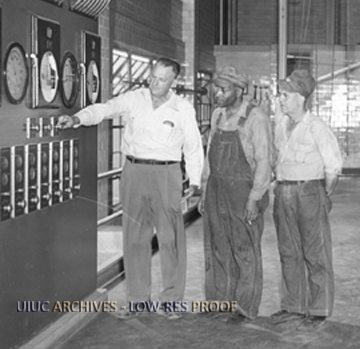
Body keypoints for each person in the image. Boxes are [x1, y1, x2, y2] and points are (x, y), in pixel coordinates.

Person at [57, 57, 204, 321]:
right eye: (152, 76)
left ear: (173, 81)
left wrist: (194, 181)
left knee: (170, 239)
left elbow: (193, 146)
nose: (154, 83)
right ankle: (138, 301)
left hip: (167, 173)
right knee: (134, 237)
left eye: (161, 79)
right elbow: (105, 109)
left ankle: (171, 301)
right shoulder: (135, 98)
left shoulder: (182, 108)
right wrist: (77, 118)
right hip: (134, 171)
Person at [270, 69, 343, 332]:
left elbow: (333, 168)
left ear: (301, 97)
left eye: (285, 95)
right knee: (288, 252)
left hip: (309, 192)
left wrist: (321, 194)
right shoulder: (281, 125)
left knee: (315, 253)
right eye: (280, 94)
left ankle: (318, 309)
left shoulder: (317, 128)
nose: (280, 99)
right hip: (283, 192)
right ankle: (293, 307)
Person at [200, 66, 273, 322]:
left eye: (224, 89)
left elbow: (264, 161)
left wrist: (254, 198)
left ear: (239, 91)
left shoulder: (256, 118)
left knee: (245, 250)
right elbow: (209, 157)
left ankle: (245, 307)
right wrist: (204, 191)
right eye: (216, 89)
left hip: (243, 192)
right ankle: (219, 302)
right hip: (216, 189)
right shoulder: (217, 115)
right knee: (218, 247)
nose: (217, 94)